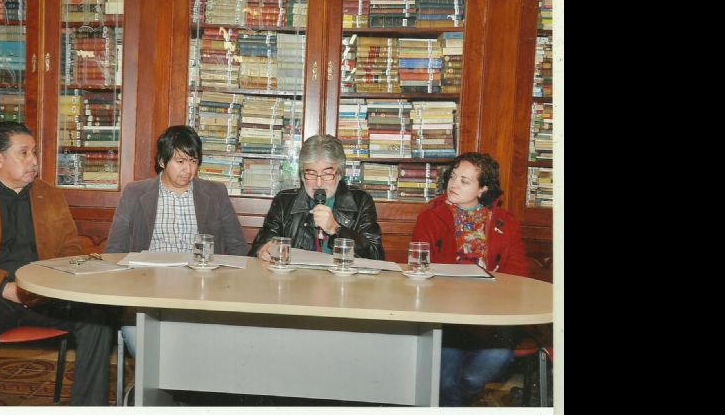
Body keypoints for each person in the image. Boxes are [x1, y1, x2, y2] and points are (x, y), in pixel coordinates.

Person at [0, 121, 112, 405]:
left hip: (43, 294)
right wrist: (6, 287)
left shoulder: (51, 196)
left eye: (34, 152)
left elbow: (71, 251)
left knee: (98, 316)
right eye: (24, 153)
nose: (34, 161)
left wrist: (63, 278)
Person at [105, 125, 249, 357]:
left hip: (201, 290)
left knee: (210, 346)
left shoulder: (215, 193)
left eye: (193, 161)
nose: (188, 170)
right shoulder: (135, 193)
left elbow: (238, 247)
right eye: (180, 161)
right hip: (147, 289)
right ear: (162, 161)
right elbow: (115, 249)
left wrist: (223, 284)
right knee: (143, 342)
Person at [411, 152, 529, 406]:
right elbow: (419, 269)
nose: (453, 184)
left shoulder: (506, 224)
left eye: (464, 181)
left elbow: (518, 276)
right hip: (446, 317)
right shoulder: (430, 219)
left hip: (490, 317)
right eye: (453, 177)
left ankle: (454, 402)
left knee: (482, 370)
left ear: (483, 188)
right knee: (445, 381)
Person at [249, 134, 384, 260]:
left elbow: (376, 256)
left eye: (327, 174)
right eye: (311, 174)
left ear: (340, 174)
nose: (319, 183)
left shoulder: (360, 201)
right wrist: (263, 250)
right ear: (302, 175)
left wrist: (336, 229)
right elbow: (260, 245)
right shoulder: (284, 201)